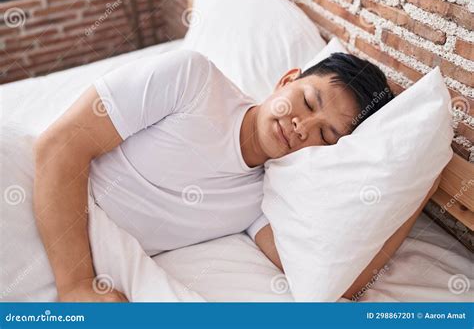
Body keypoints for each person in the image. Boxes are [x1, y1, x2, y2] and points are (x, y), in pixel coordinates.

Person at [33, 50, 438, 302]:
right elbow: (58, 147)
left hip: (68, 255)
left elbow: (338, 285)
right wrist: (76, 285)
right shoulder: (192, 80)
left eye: (324, 134)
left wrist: (416, 195)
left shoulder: (263, 199)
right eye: (308, 101)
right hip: (34, 193)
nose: (301, 126)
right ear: (286, 80)